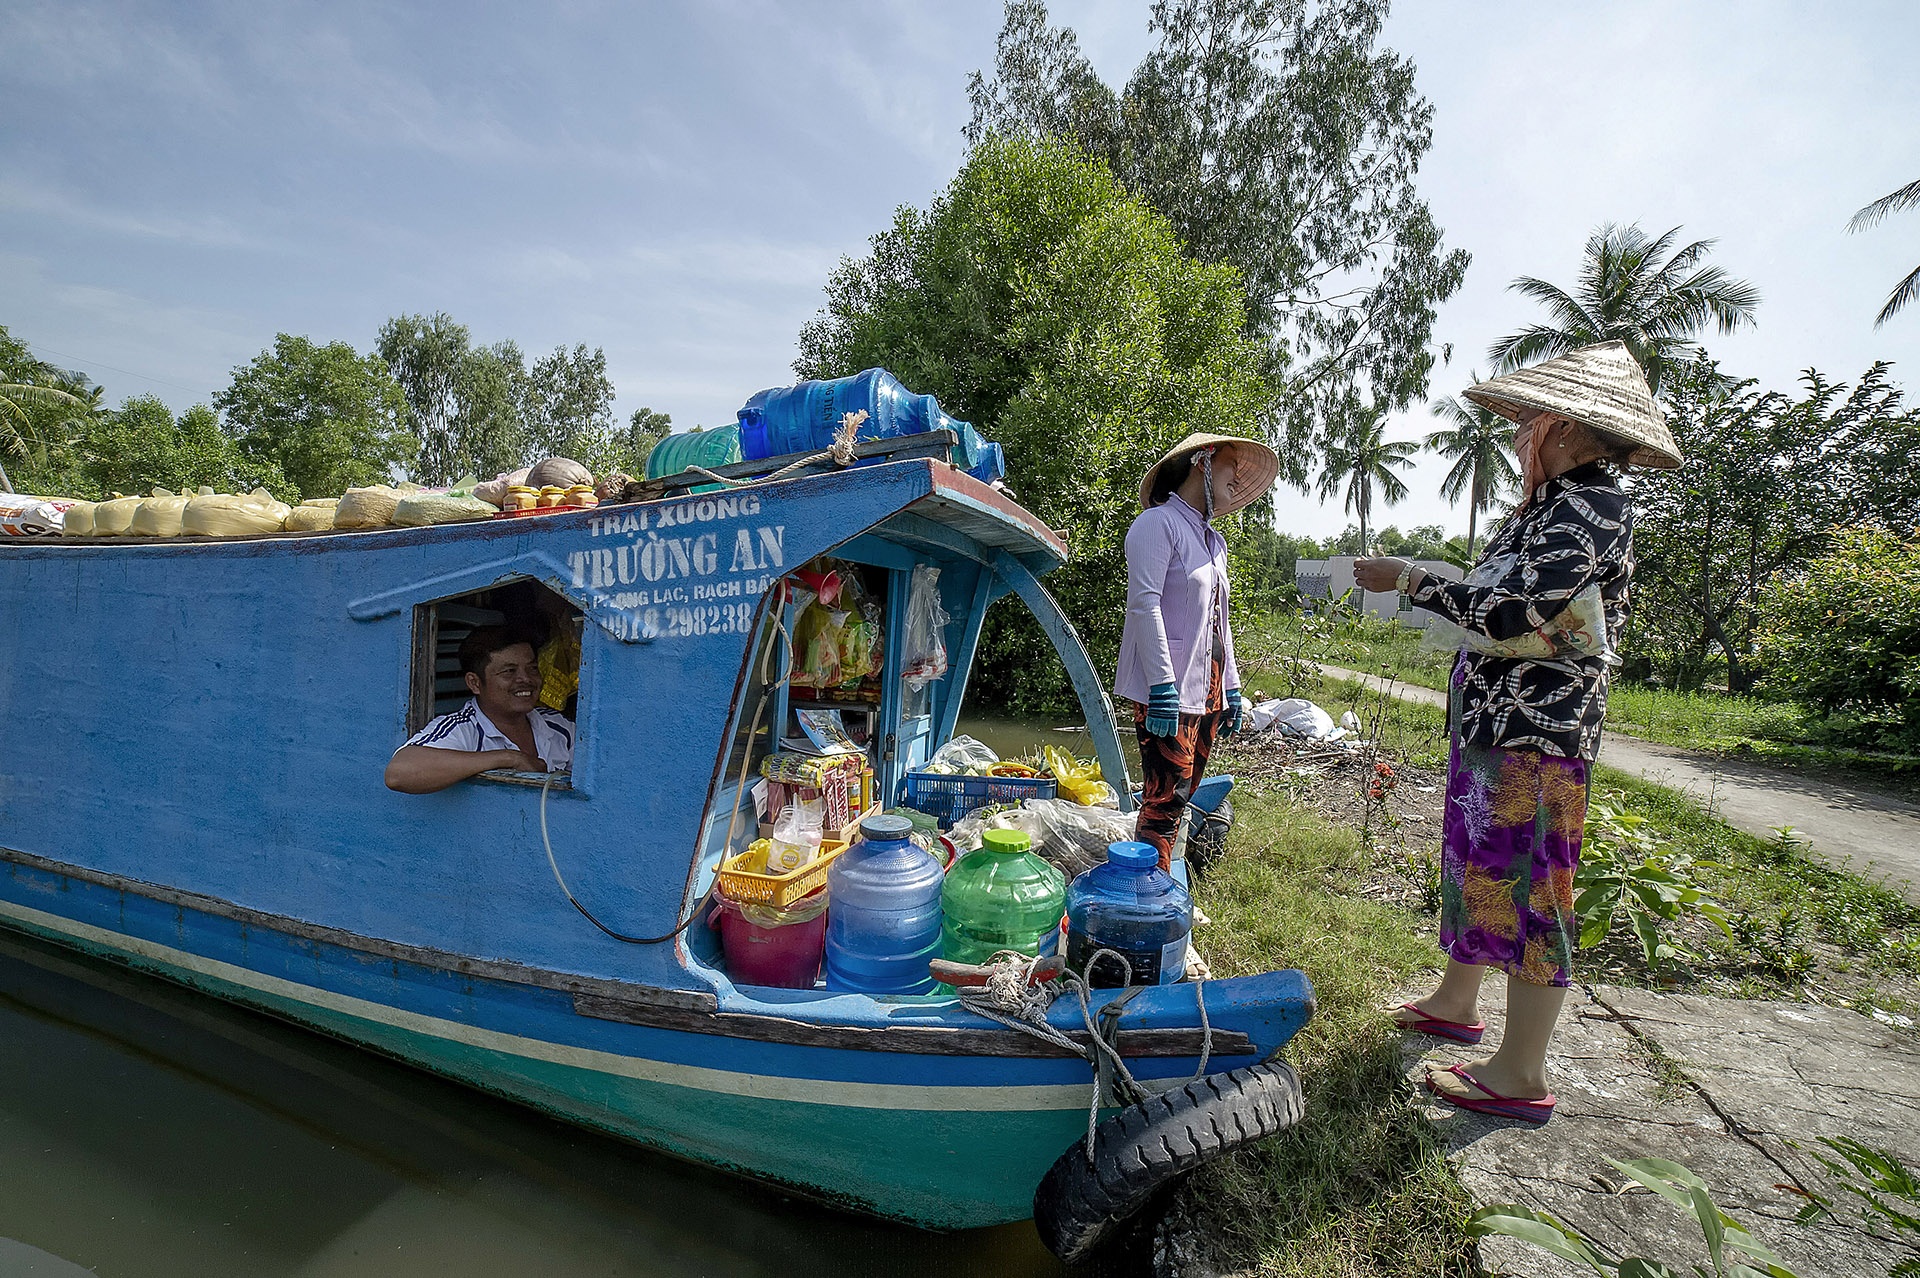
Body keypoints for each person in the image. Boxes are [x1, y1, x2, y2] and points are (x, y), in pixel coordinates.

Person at [1354, 340, 1682, 1125]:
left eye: (1533, 421)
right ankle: (1456, 999)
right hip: (1500, 724)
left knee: (1535, 890)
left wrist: (1409, 580)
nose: (1520, 434)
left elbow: (1514, 615)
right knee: (1479, 864)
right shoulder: (1550, 506)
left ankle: (1520, 1070)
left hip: (1540, 732)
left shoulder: (1589, 506)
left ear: (1567, 430)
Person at [1114, 431, 1280, 869]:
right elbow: (1144, 603)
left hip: (1206, 690)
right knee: (1163, 802)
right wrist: (1161, 687)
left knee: (1183, 795)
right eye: (1231, 463)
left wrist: (1233, 689)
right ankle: (1146, 896)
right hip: (1168, 687)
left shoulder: (1213, 542)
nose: (1237, 476)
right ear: (1202, 461)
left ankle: (1160, 882)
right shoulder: (1157, 524)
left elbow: (1219, 623)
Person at [385, 626, 576, 794]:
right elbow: (399, 773)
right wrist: (509, 759)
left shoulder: (558, 726)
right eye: (509, 671)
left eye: (532, 668)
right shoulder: (462, 729)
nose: (525, 679)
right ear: (475, 683)